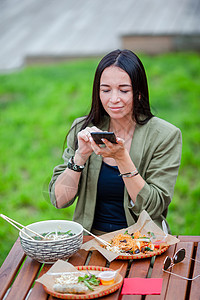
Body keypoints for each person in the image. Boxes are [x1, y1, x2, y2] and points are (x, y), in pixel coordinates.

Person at [49, 49, 182, 234]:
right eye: (105, 90)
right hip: (90, 240)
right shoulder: (83, 128)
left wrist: (121, 158)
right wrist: (80, 156)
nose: (114, 99)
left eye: (124, 90)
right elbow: (59, 200)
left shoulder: (165, 136)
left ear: (139, 93)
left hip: (142, 242)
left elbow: (153, 208)